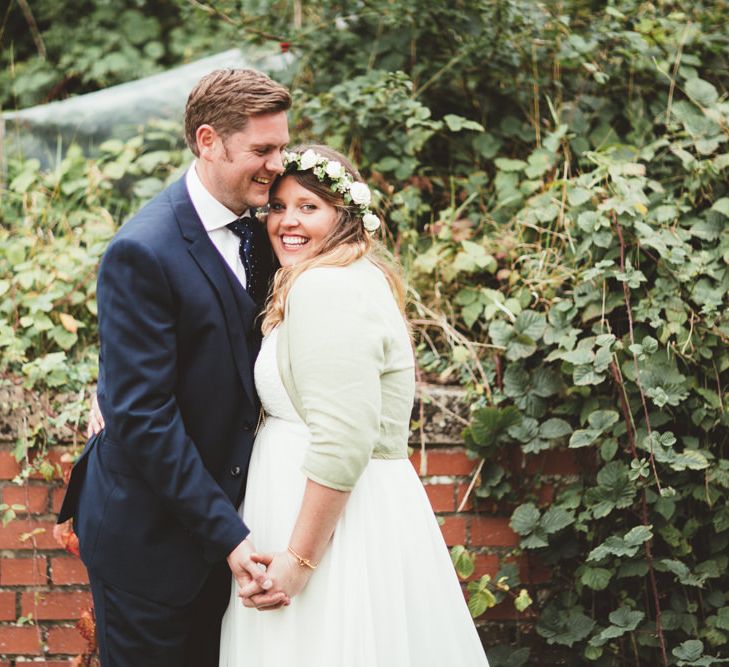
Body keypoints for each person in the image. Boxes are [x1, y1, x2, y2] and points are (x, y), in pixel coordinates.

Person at [55, 68, 293, 667]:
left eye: (283, 145)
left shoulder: (272, 229)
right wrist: (230, 536)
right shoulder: (143, 250)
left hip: (233, 534)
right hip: (151, 545)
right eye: (262, 150)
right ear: (208, 141)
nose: (277, 163)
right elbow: (143, 417)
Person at [219, 145, 489, 666]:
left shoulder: (327, 288)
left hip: (329, 527)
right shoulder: (346, 275)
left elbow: (343, 439)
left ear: (343, 217)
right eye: (277, 206)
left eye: (308, 207)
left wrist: (298, 562)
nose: (287, 221)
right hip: (320, 509)